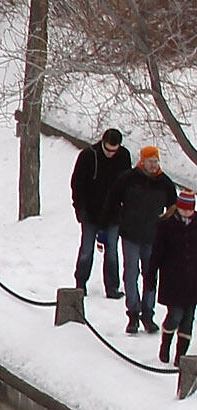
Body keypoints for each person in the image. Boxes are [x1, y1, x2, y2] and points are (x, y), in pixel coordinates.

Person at [71, 127, 129, 300]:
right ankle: (80, 283)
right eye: (108, 149)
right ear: (102, 143)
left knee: (112, 251)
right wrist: (80, 209)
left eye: (114, 150)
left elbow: (126, 184)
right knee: (87, 250)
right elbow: (77, 184)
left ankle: (112, 287)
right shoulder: (88, 156)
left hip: (113, 213)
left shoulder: (123, 156)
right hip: (90, 212)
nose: (111, 153)